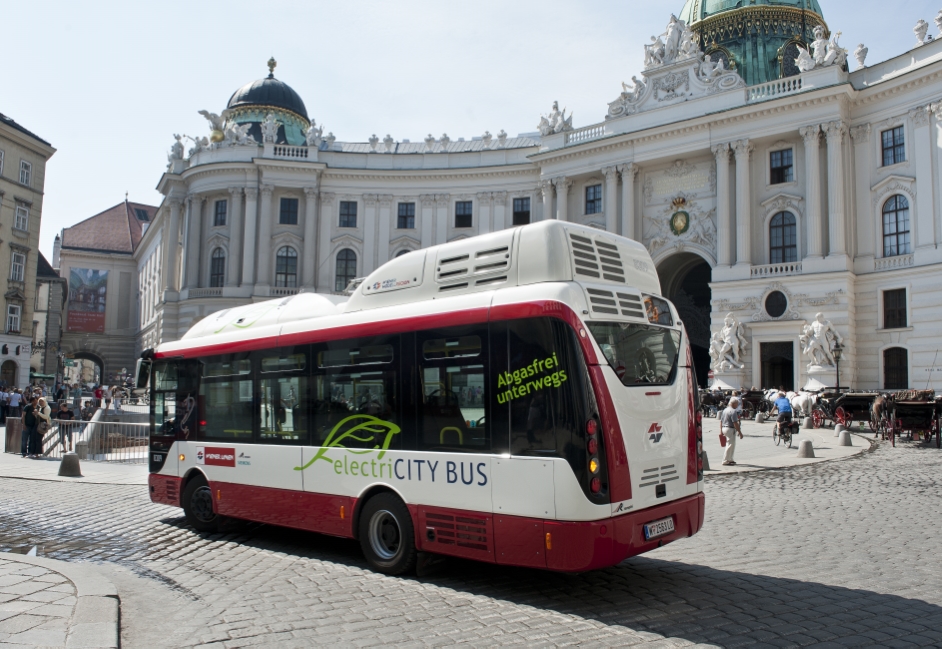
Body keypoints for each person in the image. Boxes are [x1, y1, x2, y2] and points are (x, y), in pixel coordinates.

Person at [720, 396, 743, 466]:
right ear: (734, 404)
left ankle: (730, 459)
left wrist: (720, 431)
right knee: (730, 444)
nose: (737, 405)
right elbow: (735, 423)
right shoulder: (733, 411)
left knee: (732, 444)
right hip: (730, 428)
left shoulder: (725, 410)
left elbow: (721, 421)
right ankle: (725, 460)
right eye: (737, 404)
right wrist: (739, 432)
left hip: (724, 428)